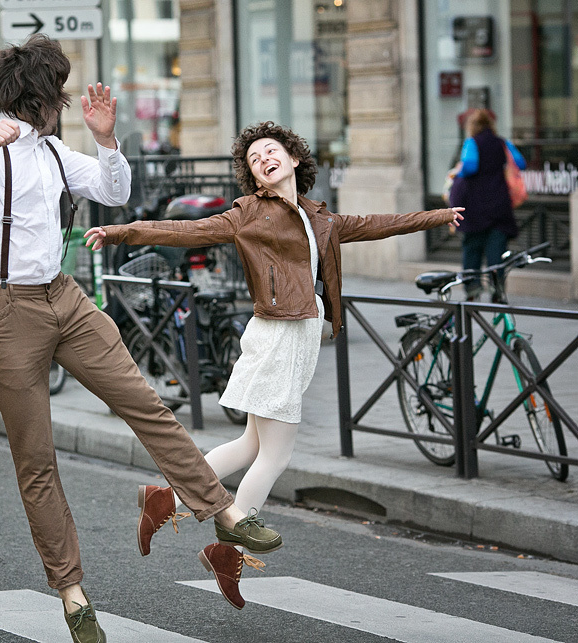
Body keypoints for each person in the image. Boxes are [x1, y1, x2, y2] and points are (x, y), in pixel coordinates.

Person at [0, 35, 282, 642]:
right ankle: (72, 594)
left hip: (61, 296)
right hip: (2, 310)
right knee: (36, 458)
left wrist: (107, 141)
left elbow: (115, 192)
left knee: (143, 401)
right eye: (57, 95)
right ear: (36, 96)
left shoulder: (53, 151)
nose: (62, 105)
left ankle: (222, 511)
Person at [85, 121, 464, 609]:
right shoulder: (249, 213)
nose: (264, 159)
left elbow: (377, 224)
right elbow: (186, 231)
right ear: (253, 176)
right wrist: (120, 232)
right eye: (254, 158)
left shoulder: (318, 217)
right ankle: (228, 545)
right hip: (279, 334)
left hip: (299, 337)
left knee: (251, 445)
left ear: (293, 158)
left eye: (271, 151)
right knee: (276, 455)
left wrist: (438, 216)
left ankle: (168, 502)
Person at [448, 108, 526, 301]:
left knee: (472, 250)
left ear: (472, 126)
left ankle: (473, 289)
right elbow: (520, 163)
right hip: (499, 204)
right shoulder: (502, 143)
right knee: (496, 253)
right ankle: (497, 290)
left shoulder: (472, 142)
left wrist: (458, 171)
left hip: (474, 206)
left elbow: (470, 166)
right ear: (491, 125)